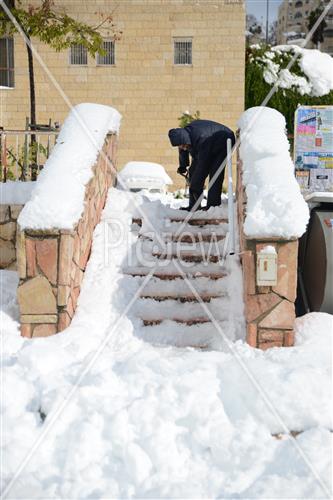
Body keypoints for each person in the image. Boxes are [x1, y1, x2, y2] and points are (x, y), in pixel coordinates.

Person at [168, 119, 235, 210]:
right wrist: (183, 166)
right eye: (180, 146)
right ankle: (194, 206)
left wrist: (195, 184)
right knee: (192, 172)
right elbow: (183, 151)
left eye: (183, 145)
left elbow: (203, 164)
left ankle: (212, 206)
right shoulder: (184, 137)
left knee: (215, 174)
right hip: (206, 145)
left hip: (224, 140)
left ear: (185, 140)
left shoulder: (201, 138)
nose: (183, 148)